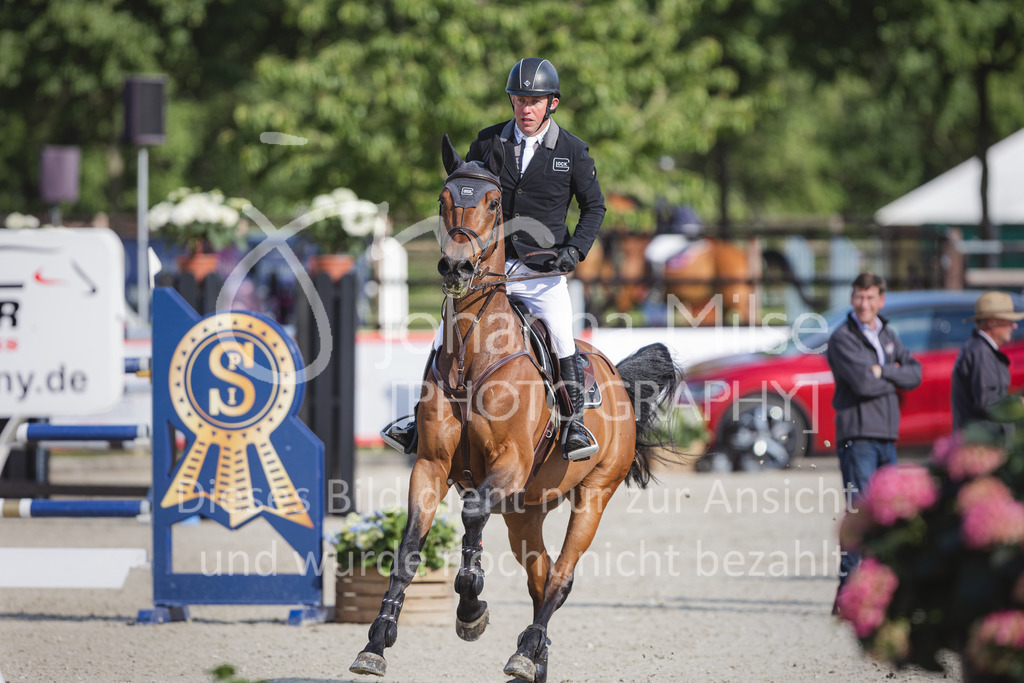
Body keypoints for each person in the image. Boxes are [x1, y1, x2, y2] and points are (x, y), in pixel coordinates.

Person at [381, 57, 606, 461]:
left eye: (533, 101)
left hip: (541, 272)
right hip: (486, 271)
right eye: (519, 100)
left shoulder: (572, 151)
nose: (525, 108)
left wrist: (574, 250)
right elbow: (467, 193)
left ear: (552, 104)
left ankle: (573, 424)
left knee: (560, 335)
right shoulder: (487, 142)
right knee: (444, 336)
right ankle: (420, 419)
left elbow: (594, 208)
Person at [826, 273, 921, 607]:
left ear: (881, 300)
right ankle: (847, 594)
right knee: (860, 514)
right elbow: (864, 385)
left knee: (886, 514)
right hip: (858, 437)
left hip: (886, 437)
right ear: (852, 298)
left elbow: (915, 374)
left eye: (869, 297)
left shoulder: (888, 333)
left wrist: (884, 371)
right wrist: (892, 373)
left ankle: (877, 592)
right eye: (858, 296)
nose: (863, 304)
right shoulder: (842, 338)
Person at [951, 290, 1024, 438]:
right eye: (1009, 320)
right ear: (992, 322)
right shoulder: (981, 352)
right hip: (981, 442)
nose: (1014, 326)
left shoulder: (981, 349)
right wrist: (1019, 403)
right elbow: (989, 403)